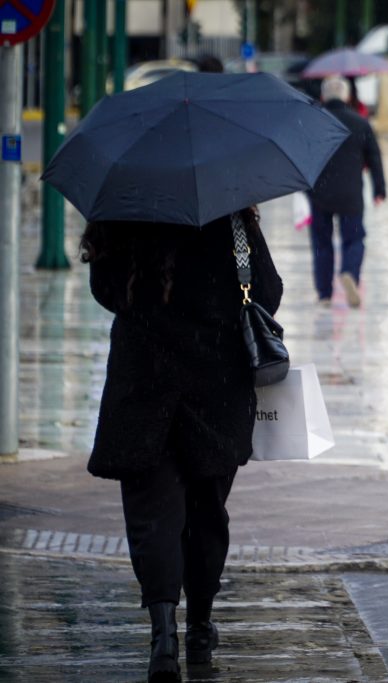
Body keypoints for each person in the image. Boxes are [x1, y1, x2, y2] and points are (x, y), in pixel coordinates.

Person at [81, 208, 282, 682]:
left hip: (141, 384)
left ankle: (163, 638)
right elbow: (267, 291)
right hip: (216, 382)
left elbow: (105, 289)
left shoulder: (123, 210)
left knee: (152, 515)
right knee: (207, 510)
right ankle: (199, 624)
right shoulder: (229, 215)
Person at [308, 76, 386, 308]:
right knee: (354, 239)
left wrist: (303, 189)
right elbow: (374, 157)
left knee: (322, 244)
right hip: (351, 193)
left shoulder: (313, 122)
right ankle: (350, 272)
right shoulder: (360, 123)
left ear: (323, 96)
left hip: (319, 193)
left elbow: (302, 157)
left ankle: (324, 294)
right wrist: (379, 189)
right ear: (347, 97)